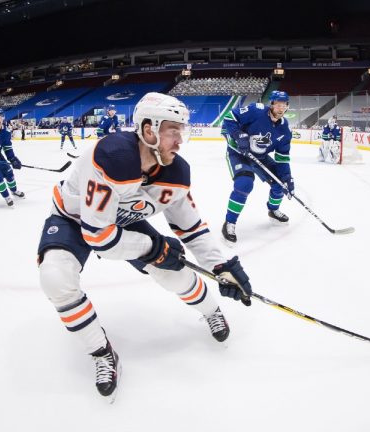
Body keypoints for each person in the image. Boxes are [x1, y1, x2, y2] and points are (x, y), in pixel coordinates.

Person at [36, 92, 253, 401]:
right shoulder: (112, 157)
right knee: (55, 277)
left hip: (119, 223)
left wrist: (220, 266)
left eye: (183, 129)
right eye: (172, 130)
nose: (180, 139)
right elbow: (100, 239)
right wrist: (153, 246)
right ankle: (101, 352)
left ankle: (211, 310)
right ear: (148, 130)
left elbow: (191, 228)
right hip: (74, 218)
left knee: (174, 275)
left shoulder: (176, 173)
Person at [220, 90, 294, 245]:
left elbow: (282, 158)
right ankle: (229, 223)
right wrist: (239, 135)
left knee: (280, 183)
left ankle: (273, 210)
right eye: (278, 104)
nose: (281, 108)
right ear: (272, 104)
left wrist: (287, 177)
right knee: (244, 183)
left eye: (284, 105)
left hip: (260, 157)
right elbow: (229, 117)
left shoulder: (285, 129)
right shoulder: (256, 110)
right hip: (238, 154)